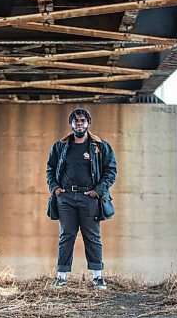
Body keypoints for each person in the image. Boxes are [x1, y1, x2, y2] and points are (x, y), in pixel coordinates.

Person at [46, 108, 117, 289]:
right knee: (66, 236)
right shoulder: (60, 146)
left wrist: (97, 191)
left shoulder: (100, 146)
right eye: (76, 121)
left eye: (83, 121)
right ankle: (61, 277)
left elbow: (111, 171)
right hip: (66, 198)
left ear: (88, 124)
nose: (79, 123)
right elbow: (50, 169)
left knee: (92, 236)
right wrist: (55, 189)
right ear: (71, 124)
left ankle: (97, 277)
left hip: (89, 198)